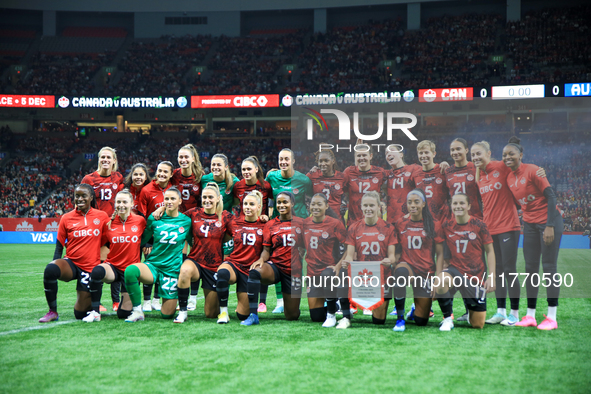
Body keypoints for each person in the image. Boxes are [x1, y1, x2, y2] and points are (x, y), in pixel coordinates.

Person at [471, 141, 542, 326]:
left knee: (509, 271)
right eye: (473, 155)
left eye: (479, 154)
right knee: (499, 272)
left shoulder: (500, 166)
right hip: (489, 229)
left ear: (488, 153)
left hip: (508, 226)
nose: (476, 158)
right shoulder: (479, 175)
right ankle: (501, 311)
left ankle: (515, 313)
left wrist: (537, 171)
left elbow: (518, 163)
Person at [503, 137, 563, 330]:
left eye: (511, 154)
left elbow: (551, 196)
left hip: (548, 222)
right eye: (504, 155)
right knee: (530, 269)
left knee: (548, 267)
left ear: (521, 155)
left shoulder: (533, 170)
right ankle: (530, 315)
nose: (507, 157)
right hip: (528, 224)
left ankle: (552, 317)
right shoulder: (509, 178)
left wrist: (549, 225)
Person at [39, 184, 109, 322]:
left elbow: (107, 243)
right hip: (71, 263)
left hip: (90, 268)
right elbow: (59, 246)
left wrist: (101, 266)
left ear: (91, 198)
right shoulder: (66, 217)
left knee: (80, 314)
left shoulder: (101, 216)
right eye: (77, 196)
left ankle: (93, 304)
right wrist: (54, 263)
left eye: (84, 196)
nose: (80, 199)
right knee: (50, 269)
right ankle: (52, 311)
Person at [124, 187, 192, 322]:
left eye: (173, 198)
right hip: (153, 265)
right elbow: (142, 240)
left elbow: (193, 243)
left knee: (167, 315)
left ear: (180, 201)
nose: (169, 201)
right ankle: (138, 311)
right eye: (166, 198)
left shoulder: (187, 221)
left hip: (172, 270)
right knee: (130, 271)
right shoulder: (154, 218)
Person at [336, 191, 397, 329]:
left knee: (379, 321)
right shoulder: (354, 227)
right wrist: (347, 262)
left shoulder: (388, 228)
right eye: (365, 205)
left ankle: (369, 306)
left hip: (381, 276)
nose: (368, 208)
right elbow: (350, 255)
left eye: (372, 205)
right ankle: (345, 316)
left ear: (378, 207)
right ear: (361, 207)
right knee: (343, 272)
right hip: (361, 275)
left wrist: (389, 260)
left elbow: (392, 256)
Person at [83, 189, 146, 322]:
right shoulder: (108, 223)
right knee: (97, 271)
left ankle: (126, 303)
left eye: (124, 202)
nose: (121, 205)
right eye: (118, 202)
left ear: (131, 204)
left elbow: (148, 238)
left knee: (123, 314)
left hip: (131, 271)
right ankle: (95, 312)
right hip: (113, 267)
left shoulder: (140, 221)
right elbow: (99, 242)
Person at [435, 193, 496, 331]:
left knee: (478, 324)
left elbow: (490, 251)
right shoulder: (446, 226)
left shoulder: (479, 225)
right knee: (440, 281)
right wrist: (437, 277)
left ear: (468, 206)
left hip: (475, 275)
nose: (458, 206)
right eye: (455, 204)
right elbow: (442, 252)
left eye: (462, 203)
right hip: (455, 271)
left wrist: (491, 277)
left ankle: (470, 311)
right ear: (451, 206)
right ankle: (447, 319)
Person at [242, 191, 303, 326]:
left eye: (285, 202)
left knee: (292, 315)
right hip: (275, 266)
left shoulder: (301, 223)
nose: (281, 205)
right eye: (279, 202)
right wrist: (261, 260)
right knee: (255, 271)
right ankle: (253, 315)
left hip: (293, 271)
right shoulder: (270, 224)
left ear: (292, 204)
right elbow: (266, 250)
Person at [174, 183, 233, 323]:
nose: (207, 200)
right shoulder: (193, 213)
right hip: (195, 260)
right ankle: (183, 311)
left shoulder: (225, 216)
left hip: (213, 265)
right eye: (204, 197)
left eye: (210, 197)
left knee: (211, 314)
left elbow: (236, 232)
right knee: (184, 270)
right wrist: (163, 208)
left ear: (218, 198)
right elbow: (175, 217)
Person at [265, 148, 312, 313]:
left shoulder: (304, 180)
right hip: (279, 228)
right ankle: (280, 301)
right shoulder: (271, 177)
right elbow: (267, 197)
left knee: (305, 264)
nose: (283, 162)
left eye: (286, 159)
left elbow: (313, 200)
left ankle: (321, 298)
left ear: (293, 161)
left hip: (300, 228)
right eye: (281, 159)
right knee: (279, 262)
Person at [391, 189, 445, 332]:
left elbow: (440, 254)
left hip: (425, 271)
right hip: (407, 266)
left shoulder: (434, 223)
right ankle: (400, 318)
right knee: (400, 273)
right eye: (409, 202)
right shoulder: (401, 222)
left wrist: (437, 278)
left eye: (416, 202)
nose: (413, 205)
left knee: (421, 321)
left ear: (423, 204)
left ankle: (415, 310)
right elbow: (397, 250)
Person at [81, 146, 124, 310]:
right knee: (94, 264)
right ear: (98, 159)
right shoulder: (89, 179)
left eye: (109, 157)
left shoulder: (118, 177)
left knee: (117, 262)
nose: (105, 160)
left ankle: (115, 301)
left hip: (113, 228)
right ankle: (96, 302)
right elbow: (82, 203)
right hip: (95, 228)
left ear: (114, 160)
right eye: (102, 157)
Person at [216, 191, 267, 323]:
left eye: (251, 204)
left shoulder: (265, 225)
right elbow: (222, 239)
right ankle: (223, 312)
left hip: (249, 269)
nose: (248, 207)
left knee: (242, 315)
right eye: (245, 204)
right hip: (234, 264)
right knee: (222, 273)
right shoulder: (234, 223)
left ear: (259, 206)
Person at [302, 193, 346, 327]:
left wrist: (338, 266)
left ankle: (332, 314)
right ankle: (336, 304)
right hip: (312, 273)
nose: (315, 207)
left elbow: (350, 247)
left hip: (329, 270)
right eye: (313, 204)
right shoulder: (305, 223)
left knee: (327, 275)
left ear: (326, 206)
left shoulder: (335, 223)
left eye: (319, 204)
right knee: (316, 317)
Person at [137, 161, 175, 312]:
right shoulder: (146, 190)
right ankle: (146, 300)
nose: (162, 174)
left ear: (171, 174)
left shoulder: (173, 189)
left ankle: (156, 299)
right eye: (160, 170)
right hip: (151, 236)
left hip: (167, 235)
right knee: (149, 266)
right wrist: (147, 242)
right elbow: (142, 216)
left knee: (163, 266)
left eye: (166, 172)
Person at [171, 144, 204, 310]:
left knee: (195, 259)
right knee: (180, 260)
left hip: (196, 223)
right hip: (178, 222)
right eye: (180, 157)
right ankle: (180, 294)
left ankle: (193, 298)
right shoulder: (173, 175)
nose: (183, 160)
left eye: (186, 157)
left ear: (193, 158)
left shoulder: (201, 177)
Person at [342, 144, 387, 225]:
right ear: (355, 157)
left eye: (364, 155)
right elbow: (339, 189)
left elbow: (391, 190)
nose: (361, 158)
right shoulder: (349, 172)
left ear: (370, 156)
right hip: (354, 222)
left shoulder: (380, 172)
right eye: (359, 155)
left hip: (374, 222)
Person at [411, 140, 450, 224]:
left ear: (434, 154)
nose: (423, 156)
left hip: (442, 220)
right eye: (421, 153)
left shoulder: (442, 170)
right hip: (424, 221)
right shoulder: (415, 175)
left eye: (426, 152)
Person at [306, 148, 346, 221]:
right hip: (318, 220)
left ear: (333, 161)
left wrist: (344, 203)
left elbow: (351, 192)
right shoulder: (312, 175)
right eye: (320, 161)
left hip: (336, 220)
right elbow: (301, 186)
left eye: (326, 161)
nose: (323, 164)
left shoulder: (342, 177)